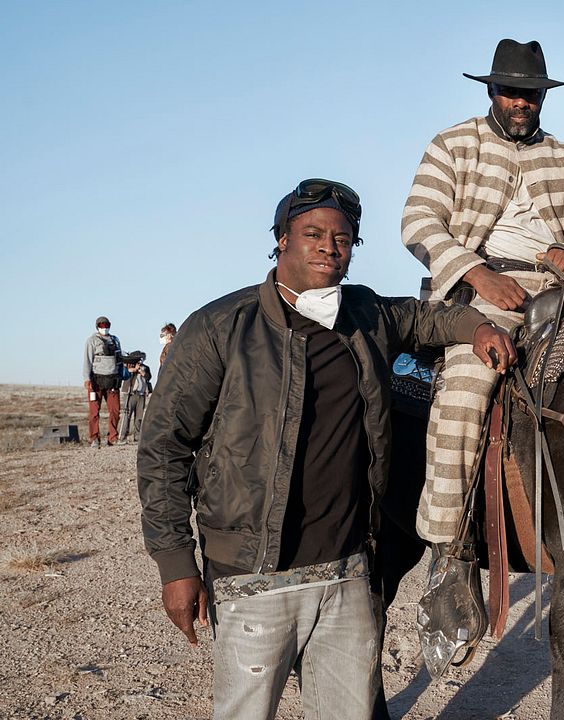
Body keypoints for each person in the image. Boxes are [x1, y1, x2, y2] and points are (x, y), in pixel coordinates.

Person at [137, 179, 515, 719]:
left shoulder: (362, 315)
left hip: (346, 576)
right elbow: (162, 448)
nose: (328, 248)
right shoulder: (221, 327)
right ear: (281, 241)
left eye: (342, 240)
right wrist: (176, 564)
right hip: (251, 577)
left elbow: (426, 318)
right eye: (312, 233)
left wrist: (476, 325)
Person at [402, 38, 564, 547]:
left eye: (533, 94)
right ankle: (447, 550)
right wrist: (477, 275)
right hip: (484, 292)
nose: (522, 102)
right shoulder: (453, 144)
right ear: (493, 90)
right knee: (466, 391)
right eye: (512, 92)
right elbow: (418, 222)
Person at [83, 316, 123, 447]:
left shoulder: (115, 340)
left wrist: (121, 376)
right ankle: (94, 438)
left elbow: (119, 359)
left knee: (115, 410)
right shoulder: (92, 341)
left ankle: (113, 437)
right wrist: (87, 379)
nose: (104, 327)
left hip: (112, 381)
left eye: (106, 325)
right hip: (96, 381)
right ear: (97, 326)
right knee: (94, 412)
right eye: (102, 325)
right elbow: (87, 360)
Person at [118, 354, 152, 443]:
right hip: (130, 394)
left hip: (141, 394)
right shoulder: (129, 366)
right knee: (127, 415)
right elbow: (125, 375)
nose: (140, 361)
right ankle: (123, 436)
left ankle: (137, 437)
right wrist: (134, 369)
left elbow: (149, 377)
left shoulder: (146, 368)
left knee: (139, 417)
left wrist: (142, 372)